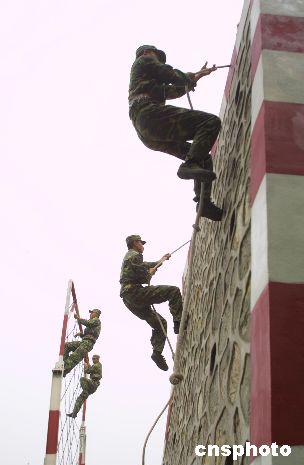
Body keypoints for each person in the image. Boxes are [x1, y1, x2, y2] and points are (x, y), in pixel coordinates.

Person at [128, 44, 223, 221]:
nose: (158, 60)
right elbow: (170, 74)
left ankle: (204, 203)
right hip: (149, 114)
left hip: (147, 131)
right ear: (148, 52)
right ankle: (190, 165)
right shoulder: (144, 60)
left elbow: (173, 90)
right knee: (210, 122)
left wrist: (196, 77)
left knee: (203, 156)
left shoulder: (147, 83)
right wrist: (187, 78)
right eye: (157, 56)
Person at [120, 235, 183, 371]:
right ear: (135, 243)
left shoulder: (130, 257)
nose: (143, 245)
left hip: (129, 299)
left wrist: (161, 260)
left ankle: (157, 353)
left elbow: (146, 266)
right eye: (141, 243)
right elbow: (144, 276)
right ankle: (179, 322)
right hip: (135, 292)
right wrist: (151, 273)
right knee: (174, 291)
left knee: (160, 323)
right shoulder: (134, 256)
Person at [63, 309, 101, 376]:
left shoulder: (96, 320)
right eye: (91, 313)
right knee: (66, 345)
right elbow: (88, 334)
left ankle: (65, 370)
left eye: (92, 313)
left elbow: (88, 323)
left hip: (88, 343)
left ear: (96, 314)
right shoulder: (92, 322)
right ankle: (63, 363)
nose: (90, 314)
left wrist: (78, 319)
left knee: (75, 356)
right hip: (84, 342)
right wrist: (81, 335)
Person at [67, 354, 102, 418]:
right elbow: (91, 369)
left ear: (98, 359)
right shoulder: (97, 365)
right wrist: (88, 364)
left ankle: (85, 391)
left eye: (94, 359)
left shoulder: (96, 365)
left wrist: (86, 367)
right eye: (93, 359)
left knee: (82, 379)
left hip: (94, 383)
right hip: (92, 386)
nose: (93, 360)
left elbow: (88, 371)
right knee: (80, 399)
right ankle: (74, 413)